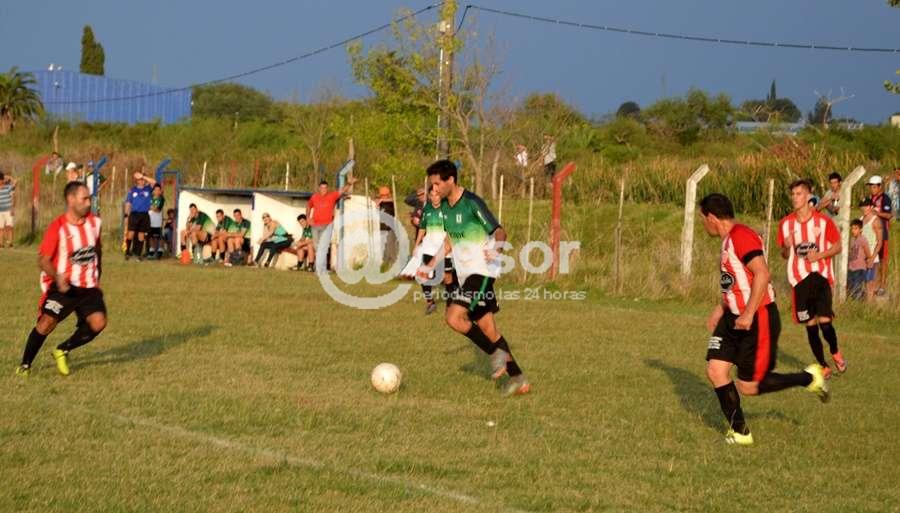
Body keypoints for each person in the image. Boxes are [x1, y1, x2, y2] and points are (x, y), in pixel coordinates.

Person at [699, 193, 828, 446]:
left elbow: (762, 274)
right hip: (733, 317)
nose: (703, 223)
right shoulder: (728, 240)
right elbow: (737, 282)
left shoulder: (741, 235)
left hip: (758, 317)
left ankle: (809, 378)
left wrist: (748, 313)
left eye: (703, 218)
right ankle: (740, 432)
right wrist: (721, 308)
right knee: (716, 370)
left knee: (748, 386)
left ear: (712, 217)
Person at [418, 159, 530, 396]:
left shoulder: (471, 202)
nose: (434, 189)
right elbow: (449, 241)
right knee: (488, 328)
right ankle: (519, 378)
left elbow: (499, 231)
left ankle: (496, 354)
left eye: (437, 184)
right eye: (432, 185)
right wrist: (429, 265)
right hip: (466, 274)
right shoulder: (444, 208)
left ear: (451, 180)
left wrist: (496, 248)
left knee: (453, 317)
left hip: (482, 271)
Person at [15, 181, 107, 378]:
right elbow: (43, 260)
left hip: (88, 286)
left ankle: (63, 349)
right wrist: (58, 278)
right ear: (71, 200)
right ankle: (25, 365)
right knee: (46, 323)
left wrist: (98, 272)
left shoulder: (95, 223)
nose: (89, 203)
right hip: (63, 286)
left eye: (89, 199)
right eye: (84, 199)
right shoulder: (58, 227)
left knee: (98, 322)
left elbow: (97, 248)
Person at [777, 179, 847, 379]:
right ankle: (823, 366)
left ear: (808, 196)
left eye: (799, 194)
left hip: (820, 276)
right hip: (799, 280)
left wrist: (820, 255)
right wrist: (787, 247)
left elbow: (838, 246)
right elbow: (784, 255)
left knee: (825, 322)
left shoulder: (823, 222)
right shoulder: (785, 224)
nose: (795, 198)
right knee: (810, 325)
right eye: (793, 194)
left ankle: (835, 352)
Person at [412, 187, 455, 315]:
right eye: (432, 195)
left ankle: (450, 305)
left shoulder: (448, 208)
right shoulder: (427, 209)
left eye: (437, 195)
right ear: (429, 196)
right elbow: (422, 228)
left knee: (447, 277)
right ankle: (430, 303)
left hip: (444, 248)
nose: (435, 197)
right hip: (428, 248)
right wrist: (416, 245)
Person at [305, 178, 357, 272]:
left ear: (327, 188)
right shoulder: (314, 197)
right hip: (315, 225)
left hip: (327, 226)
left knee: (323, 247)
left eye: (325, 188)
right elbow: (308, 206)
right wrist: (308, 218)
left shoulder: (332, 196)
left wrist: (349, 183)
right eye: (322, 188)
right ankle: (320, 267)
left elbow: (342, 191)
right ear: (319, 188)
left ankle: (321, 269)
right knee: (317, 247)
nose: (323, 189)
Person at [867, 175, 893, 295]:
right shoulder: (870, 198)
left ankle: (883, 285)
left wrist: (876, 213)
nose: (871, 189)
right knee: (873, 259)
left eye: (873, 187)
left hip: (883, 234)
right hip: (872, 234)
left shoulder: (885, 198)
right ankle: (874, 284)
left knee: (883, 260)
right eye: (870, 186)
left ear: (879, 186)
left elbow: (889, 215)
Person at [123, 171, 156, 261]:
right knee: (131, 233)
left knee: (141, 235)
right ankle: (127, 252)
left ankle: (138, 254)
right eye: (140, 180)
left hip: (144, 214)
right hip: (134, 214)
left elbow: (154, 182)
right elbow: (128, 203)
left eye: (143, 180)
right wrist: (126, 215)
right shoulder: (132, 190)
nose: (142, 181)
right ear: (137, 181)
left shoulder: (148, 189)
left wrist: (143, 176)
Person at [860, 198, 884, 302]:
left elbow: (880, 242)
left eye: (866, 206)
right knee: (864, 283)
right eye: (862, 206)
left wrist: (872, 258)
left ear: (871, 207)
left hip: (872, 257)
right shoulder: (861, 219)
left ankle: (870, 306)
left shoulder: (876, 221)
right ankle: (866, 306)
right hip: (861, 257)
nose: (864, 208)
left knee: (870, 283)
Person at [374, 186, 397, 266]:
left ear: (388, 195)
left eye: (385, 195)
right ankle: (385, 263)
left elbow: (393, 200)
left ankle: (393, 263)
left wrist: (381, 200)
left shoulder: (391, 203)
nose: (383, 197)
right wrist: (378, 202)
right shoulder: (380, 203)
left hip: (390, 228)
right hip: (382, 228)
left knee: (391, 247)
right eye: (382, 195)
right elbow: (374, 201)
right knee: (383, 247)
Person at [847, 219, 868, 301]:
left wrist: (867, 260)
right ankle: (853, 302)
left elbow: (868, 253)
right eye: (852, 228)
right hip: (851, 267)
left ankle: (858, 302)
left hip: (859, 268)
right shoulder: (852, 239)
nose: (853, 231)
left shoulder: (863, 239)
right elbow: (850, 252)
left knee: (857, 287)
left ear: (861, 230)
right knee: (851, 287)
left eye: (855, 228)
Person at [146, 184, 165, 259]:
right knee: (150, 237)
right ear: (153, 191)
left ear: (160, 191)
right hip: (150, 221)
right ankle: (151, 251)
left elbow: (158, 210)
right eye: (155, 190)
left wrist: (150, 207)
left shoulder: (161, 199)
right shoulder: (150, 198)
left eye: (158, 190)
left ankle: (160, 251)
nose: (157, 191)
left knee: (159, 237)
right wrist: (151, 207)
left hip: (157, 222)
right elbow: (146, 207)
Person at [0, 171, 17, 248]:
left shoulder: (8, 187)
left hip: (8, 210)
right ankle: (1, 244)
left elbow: (15, 182)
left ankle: (10, 244)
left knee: (9, 227)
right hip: (0, 211)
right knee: (1, 228)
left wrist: (12, 208)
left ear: (2, 180)